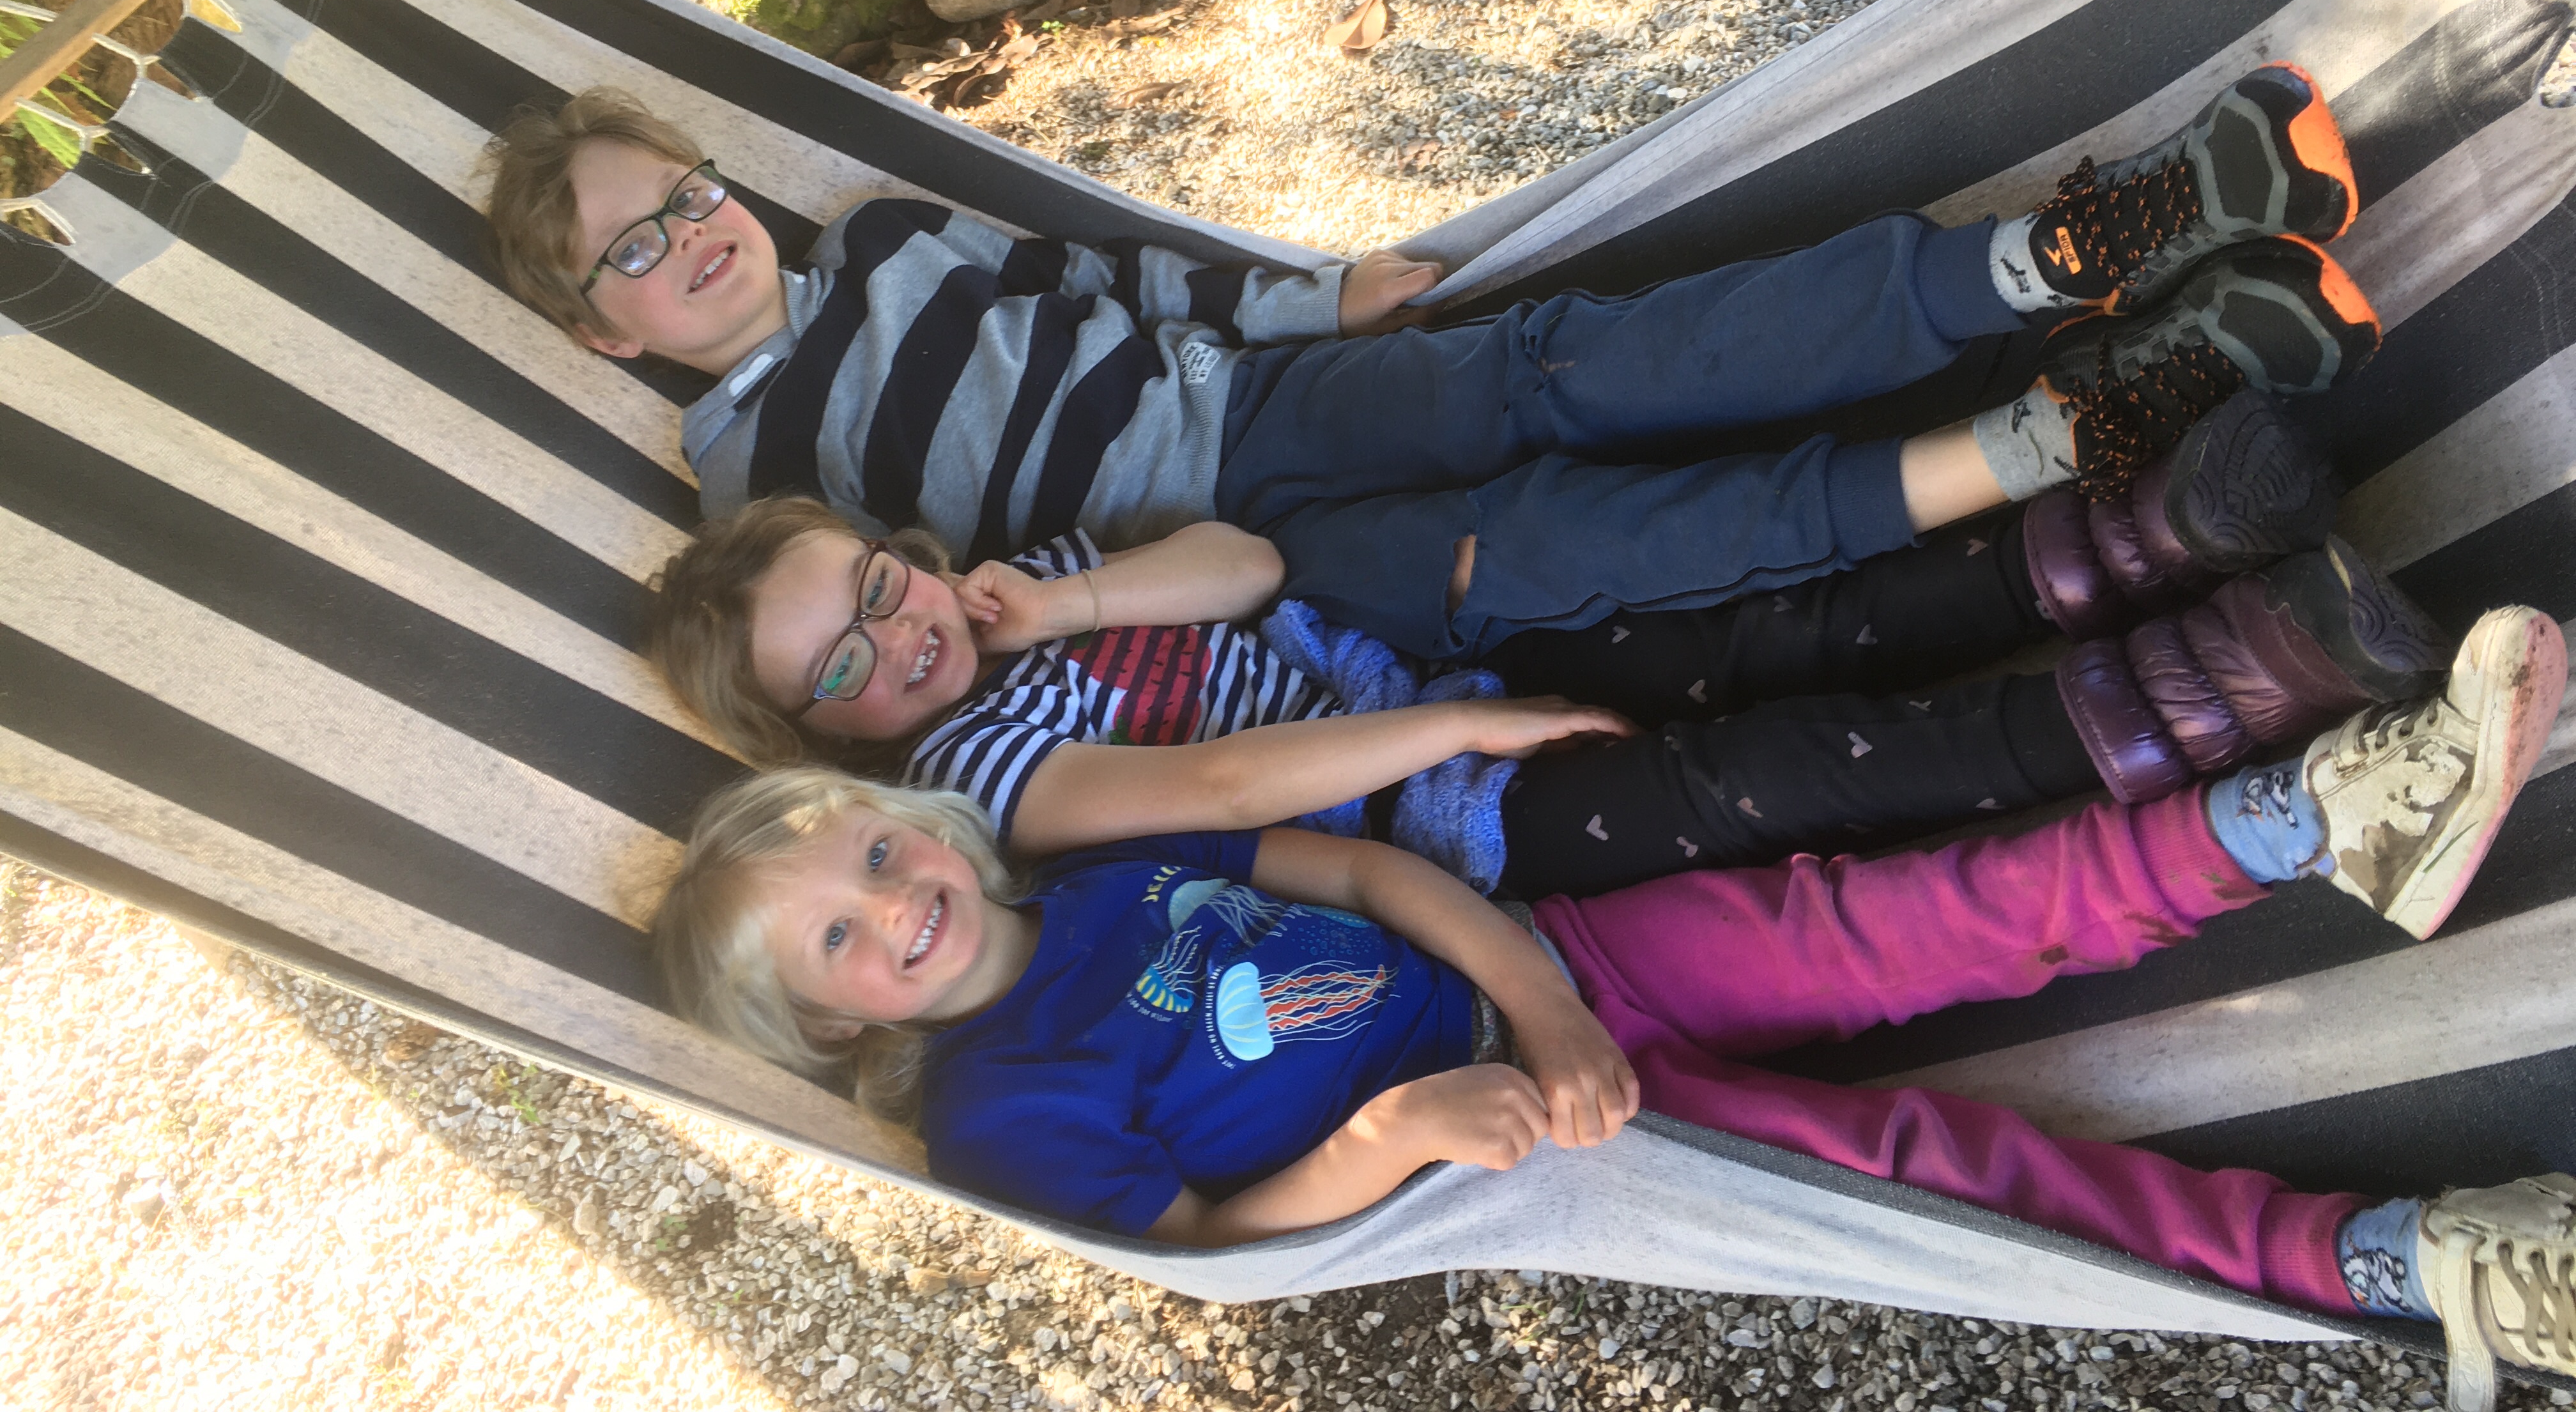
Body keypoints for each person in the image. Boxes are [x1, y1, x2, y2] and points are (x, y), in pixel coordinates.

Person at [650, 608, 2573, 1412]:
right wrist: (1397, 1132)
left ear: (914, 824)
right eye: (839, 941)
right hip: (1539, 1154)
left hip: (1561, 985)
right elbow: (1208, 1243)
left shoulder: (1083, 879)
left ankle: (2310, 819)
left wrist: (1539, 998)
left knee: (1896, 922)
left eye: (873, 857)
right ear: (831, 1030)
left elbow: (1367, 878)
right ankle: (2403, 1265)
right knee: (1941, 1179)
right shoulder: (996, 1109)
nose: (894, 907)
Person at [486, 68, 2379, 658]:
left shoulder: (890, 233)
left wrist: (1313, 301)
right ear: (598, 333)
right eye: (633, 250)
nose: (691, 235)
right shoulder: (749, 492)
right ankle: (2070, 428)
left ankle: (2067, 252)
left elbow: (1115, 274)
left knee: (1587, 365)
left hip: (1252, 397)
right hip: (1226, 584)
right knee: (1578, 550)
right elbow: (888, 635)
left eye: (689, 192)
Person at [643, 390, 2449, 897]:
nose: (893, 639)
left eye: (872, 587)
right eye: (838, 669)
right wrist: (1458, 743)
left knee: (1777, 627)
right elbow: (1224, 785)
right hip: (1434, 833)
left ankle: (2145, 540)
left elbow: (1245, 559)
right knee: (1791, 776)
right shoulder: (969, 776)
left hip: (1430, 689)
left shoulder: (1017, 598)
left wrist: (1073, 598)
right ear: (824, 735)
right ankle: (2226, 682)